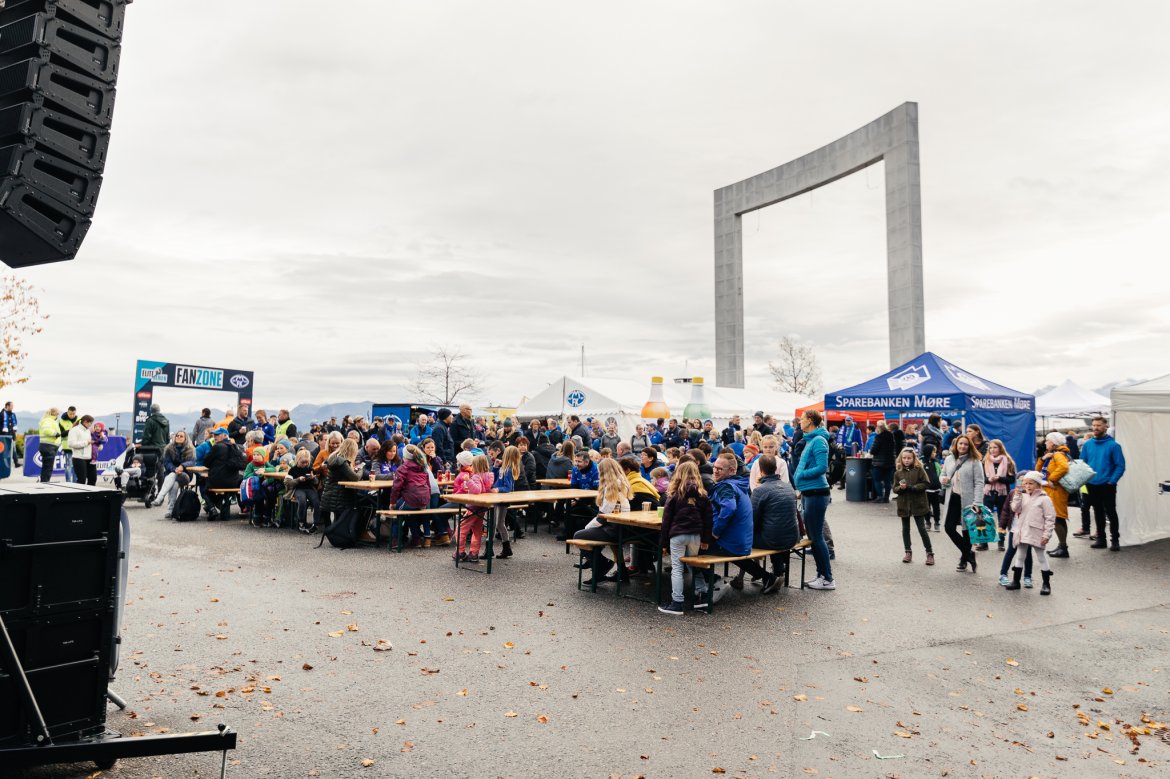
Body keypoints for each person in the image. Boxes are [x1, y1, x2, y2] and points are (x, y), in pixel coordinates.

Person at [699, 451, 776, 603]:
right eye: (715, 467)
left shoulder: (726, 487)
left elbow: (729, 508)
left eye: (720, 469)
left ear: (732, 471)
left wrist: (715, 532)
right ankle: (767, 577)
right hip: (741, 542)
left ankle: (716, 582)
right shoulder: (739, 484)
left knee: (692, 551)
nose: (715, 471)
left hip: (732, 542)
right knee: (729, 550)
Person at [657, 460, 713, 615]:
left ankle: (677, 602)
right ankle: (702, 593)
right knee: (693, 565)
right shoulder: (703, 495)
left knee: (677, 568)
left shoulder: (675, 495)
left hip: (678, 534)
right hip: (695, 535)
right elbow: (708, 519)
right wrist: (706, 539)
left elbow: (666, 521)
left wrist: (663, 543)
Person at [572, 458, 634, 585]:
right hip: (623, 527)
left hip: (614, 528)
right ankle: (605, 568)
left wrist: (587, 528)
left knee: (578, 536)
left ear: (603, 472)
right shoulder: (622, 483)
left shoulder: (611, 487)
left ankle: (601, 565)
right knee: (589, 536)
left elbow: (603, 516)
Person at [793, 409, 835, 589]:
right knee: (814, 536)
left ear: (810, 420)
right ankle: (822, 575)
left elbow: (821, 467)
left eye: (802, 419)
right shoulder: (812, 439)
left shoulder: (818, 440)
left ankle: (827, 578)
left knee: (816, 537)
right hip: (810, 492)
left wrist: (801, 475)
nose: (800, 422)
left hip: (817, 493)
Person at [749, 454, 801, 580]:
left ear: (761, 470)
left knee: (735, 544)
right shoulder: (788, 487)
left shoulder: (760, 490)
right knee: (774, 529)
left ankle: (764, 576)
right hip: (792, 538)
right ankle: (778, 571)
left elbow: (752, 521)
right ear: (776, 468)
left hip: (773, 540)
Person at [1004, 472, 1056, 595]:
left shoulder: (1044, 499)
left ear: (1038, 484)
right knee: (1020, 556)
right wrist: (1017, 496)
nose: (1028, 486)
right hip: (1022, 531)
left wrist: (1047, 534)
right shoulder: (1022, 496)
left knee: (1041, 557)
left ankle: (1046, 584)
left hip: (1037, 532)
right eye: (1025, 483)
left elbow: (1050, 518)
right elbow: (1015, 509)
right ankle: (1016, 581)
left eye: (1031, 483)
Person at [1079, 416, 1126, 551]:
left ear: (1106, 427)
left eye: (1098, 425)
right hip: (1091, 484)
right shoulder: (1087, 444)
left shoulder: (1114, 446)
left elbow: (1120, 465)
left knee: (1111, 512)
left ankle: (1115, 539)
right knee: (1097, 512)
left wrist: (1112, 481)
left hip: (1107, 485)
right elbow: (1082, 463)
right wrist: (1083, 481)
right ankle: (1101, 539)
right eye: (1094, 425)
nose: (1095, 428)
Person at [940, 434, 985, 573]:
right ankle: (969, 553)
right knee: (949, 528)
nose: (963, 446)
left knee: (966, 531)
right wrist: (943, 479)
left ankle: (963, 559)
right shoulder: (949, 459)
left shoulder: (975, 461)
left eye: (966, 444)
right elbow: (942, 474)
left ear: (969, 446)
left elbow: (979, 482)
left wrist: (977, 502)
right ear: (956, 445)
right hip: (953, 497)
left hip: (969, 500)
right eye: (960, 443)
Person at [892, 448, 934, 565]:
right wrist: (900, 488)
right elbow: (894, 488)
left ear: (914, 458)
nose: (906, 460)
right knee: (905, 529)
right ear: (901, 459)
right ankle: (908, 552)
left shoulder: (919, 469)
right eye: (904, 458)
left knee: (922, 529)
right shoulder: (898, 473)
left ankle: (929, 553)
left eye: (909, 458)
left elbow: (926, 483)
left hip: (918, 503)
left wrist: (913, 487)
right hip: (904, 504)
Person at [1035, 431, 1072, 558]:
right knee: (1057, 518)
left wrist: (1052, 479)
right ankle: (1062, 546)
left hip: (1056, 491)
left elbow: (1064, 467)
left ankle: (1063, 547)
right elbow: (1038, 471)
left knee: (1057, 518)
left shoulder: (1058, 454)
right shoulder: (1051, 454)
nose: (1045, 442)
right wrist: (1043, 459)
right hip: (1052, 491)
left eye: (1048, 440)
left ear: (1054, 443)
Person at [389, 444, 433, 548]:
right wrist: (426, 500)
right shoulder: (423, 466)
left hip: (411, 498)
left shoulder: (403, 468)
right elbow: (428, 485)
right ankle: (416, 539)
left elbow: (396, 487)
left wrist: (392, 502)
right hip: (424, 499)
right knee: (411, 515)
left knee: (395, 513)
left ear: (404, 456)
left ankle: (395, 540)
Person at [453, 453, 494, 562]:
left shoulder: (476, 476)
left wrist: (468, 480)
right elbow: (487, 489)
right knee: (477, 531)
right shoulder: (488, 476)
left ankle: (460, 552)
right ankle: (474, 553)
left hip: (473, 507)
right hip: (481, 507)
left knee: (461, 529)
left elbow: (477, 490)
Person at [320, 438, 363, 536]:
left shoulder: (335, 457)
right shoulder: (342, 462)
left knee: (334, 521)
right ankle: (340, 536)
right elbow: (355, 478)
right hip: (339, 495)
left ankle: (332, 535)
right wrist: (360, 469)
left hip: (329, 494)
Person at [983, 439, 1016, 551]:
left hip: (1002, 494)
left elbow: (1012, 479)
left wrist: (1000, 478)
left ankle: (1001, 541)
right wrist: (988, 480)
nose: (992, 450)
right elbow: (981, 478)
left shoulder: (1008, 461)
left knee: (1002, 519)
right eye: (990, 448)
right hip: (988, 493)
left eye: (995, 447)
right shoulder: (985, 461)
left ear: (1000, 448)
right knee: (985, 518)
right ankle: (984, 542)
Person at [204, 427, 245, 518]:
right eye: (214, 435)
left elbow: (206, 462)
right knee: (240, 479)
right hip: (233, 482)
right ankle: (241, 507)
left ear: (225, 436)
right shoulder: (235, 446)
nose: (214, 437)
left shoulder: (217, 447)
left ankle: (212, 508)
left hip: (217, 481)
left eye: (217, 435)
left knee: (204, 488)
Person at [156, 430, 195, 516]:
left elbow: (192, 462)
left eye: (181, 436)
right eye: (177, 435)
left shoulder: (190, 449)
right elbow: (167, 463)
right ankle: (170, 510)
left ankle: (160, 497)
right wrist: (174, 469)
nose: (178, 437)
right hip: (172, 474)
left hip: (185, 475)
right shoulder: (169, 448)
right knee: (174, 484)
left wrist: (182, 466)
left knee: (173, 475)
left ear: (185, 438)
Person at [286, 449, 320, 533]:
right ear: (298, 460)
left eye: (306, 462)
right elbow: (288, 483)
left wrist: (313, 478)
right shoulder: (292, 470)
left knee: (317, 502)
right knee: (302, 500)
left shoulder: (310, 469)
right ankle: (301, 521)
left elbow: (316, 482)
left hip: (309, 488)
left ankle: (316, 523)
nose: (305, 464)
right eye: (303, 462)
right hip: (298, 488)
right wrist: (298, 479)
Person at [67, 415, 99, 485]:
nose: (91, 425)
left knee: (93, 478)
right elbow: (71, 444)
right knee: (81, 480)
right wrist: (86, 442)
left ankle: (91, 492)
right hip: (79, 458)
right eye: (90, 423)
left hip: (89, 458)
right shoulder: (74, 430)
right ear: (85, 422)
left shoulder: (88, 431)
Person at [869, 421, 896, 502]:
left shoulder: (879, 437)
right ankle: (886, 498)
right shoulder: (891, 436)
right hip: (890, 462)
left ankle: (880, 496)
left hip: (879, 463)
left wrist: (871, 452)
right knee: (887, 480)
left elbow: (873, 450)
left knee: (877, 479)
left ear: (878, 428)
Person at [920, 442, 943, 531]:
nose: (935, 454)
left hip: (936, 489)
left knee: (936, 507)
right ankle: (927, 522)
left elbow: (940, 474)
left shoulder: (936, 463)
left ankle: (937, 522)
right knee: (927, 507)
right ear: (928, 452)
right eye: (933, 452)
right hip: (926, 490)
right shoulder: (921, 462)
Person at [37, 407, 62, 482]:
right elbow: (46, 429)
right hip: (49, 446)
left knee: (46, 466)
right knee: (48, 467)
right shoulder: (49, 420)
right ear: (54, 413)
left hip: (48, 446)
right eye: (57, 413)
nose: (58, 415)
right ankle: (45, 482)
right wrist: (55, 433)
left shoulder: (49, 420)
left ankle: (44, 480)